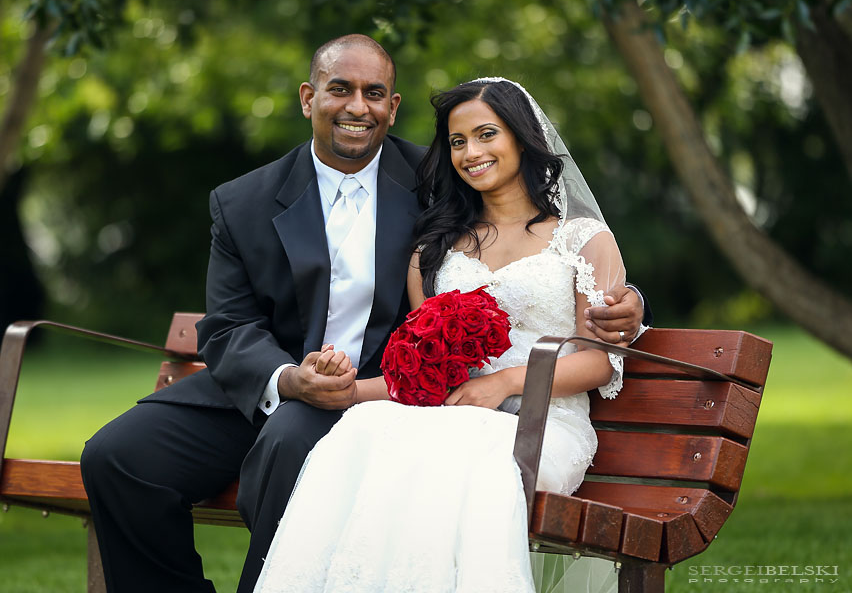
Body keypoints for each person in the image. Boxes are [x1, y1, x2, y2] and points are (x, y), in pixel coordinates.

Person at [80, 35, 646, 592]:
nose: (357, 106)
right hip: (269, 386)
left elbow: (540, 249)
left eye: (374, 92)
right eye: (339, 89)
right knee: (117, 457)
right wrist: (287, 379)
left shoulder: (437, 180)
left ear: (393, 107)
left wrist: (630, 304)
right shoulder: (242, 201)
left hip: (380, 392)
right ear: (308, 98)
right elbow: (227, 326)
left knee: (291, 446)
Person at [252, 78, 635, 593]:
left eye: (485, 135)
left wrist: (504, 384)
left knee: (458, 464)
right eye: (458, 142)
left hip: (543, 424)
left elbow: (599, 361)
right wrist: (345, 389)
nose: (471, 153)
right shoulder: (436, 252)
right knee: (359, 433)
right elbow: (421, 370)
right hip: (446, 415)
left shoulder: (582, 239)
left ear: (521, 138)